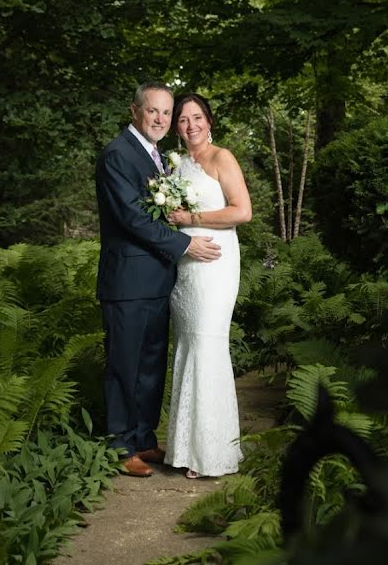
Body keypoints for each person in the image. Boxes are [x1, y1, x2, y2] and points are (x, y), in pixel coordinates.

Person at [95, 82, 222, 477]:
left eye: (167, 113)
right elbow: (133, 218)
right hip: (127, 281)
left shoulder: (155, 157)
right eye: (154, 111)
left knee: (150, 363)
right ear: (135, 112)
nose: (161, 119)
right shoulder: (117, 155)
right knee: (124, 365)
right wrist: (185, 244)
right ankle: (120, 447)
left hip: (157, 280)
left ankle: (144, 438)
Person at [165, 93, 252, 478]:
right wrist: (174, 221)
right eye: (182, 119)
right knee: (187, 343)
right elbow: (169, 214)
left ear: (209, 120)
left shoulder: (222, 158)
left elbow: (242, 211)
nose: (190, 125)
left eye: (196, 117)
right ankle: (185, 448)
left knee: (206, 341)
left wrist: (190, 215)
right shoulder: (177, 164)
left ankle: (211, 452)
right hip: (185, 264)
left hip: (215, 262)